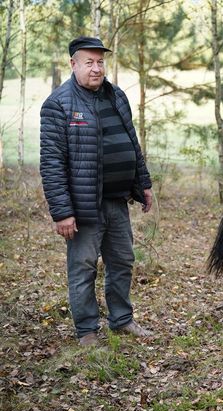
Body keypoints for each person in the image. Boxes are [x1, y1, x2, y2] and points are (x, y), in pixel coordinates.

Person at [40, 36, 154, 346]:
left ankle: (121, 319)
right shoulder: (58, 104)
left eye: (100, 62)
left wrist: (143, 183)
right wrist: (62, 212)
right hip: (83, 205)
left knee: (122, 262)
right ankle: (87, 330)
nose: (96, 68)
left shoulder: (116, 95)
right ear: (73, 64)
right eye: (89, 62)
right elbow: (52, 163)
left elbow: (131, 142)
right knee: (83, 267)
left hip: (116, 201)